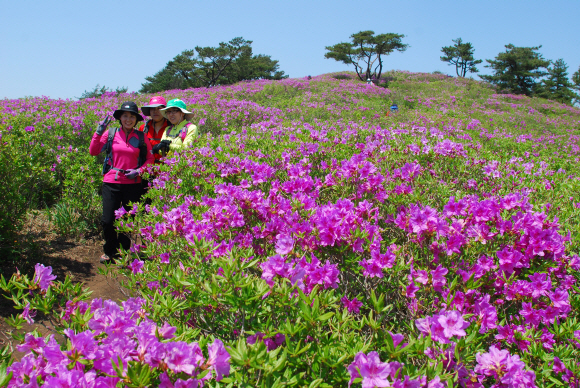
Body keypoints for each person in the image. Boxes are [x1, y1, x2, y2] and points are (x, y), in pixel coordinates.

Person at [89, 101, 154, 263]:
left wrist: (139, 171)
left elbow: (150, 159)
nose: (128, 119)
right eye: (125, 116)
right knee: (108, 220)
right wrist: (98, 133)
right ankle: (110, 250)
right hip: (111, 182)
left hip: (133, 184)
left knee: (127, 221)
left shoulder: (140, 137)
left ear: (136, 120)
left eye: (132, 116)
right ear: (120, 118)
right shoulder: (110, 134)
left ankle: (123, 253)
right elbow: (93, 151)